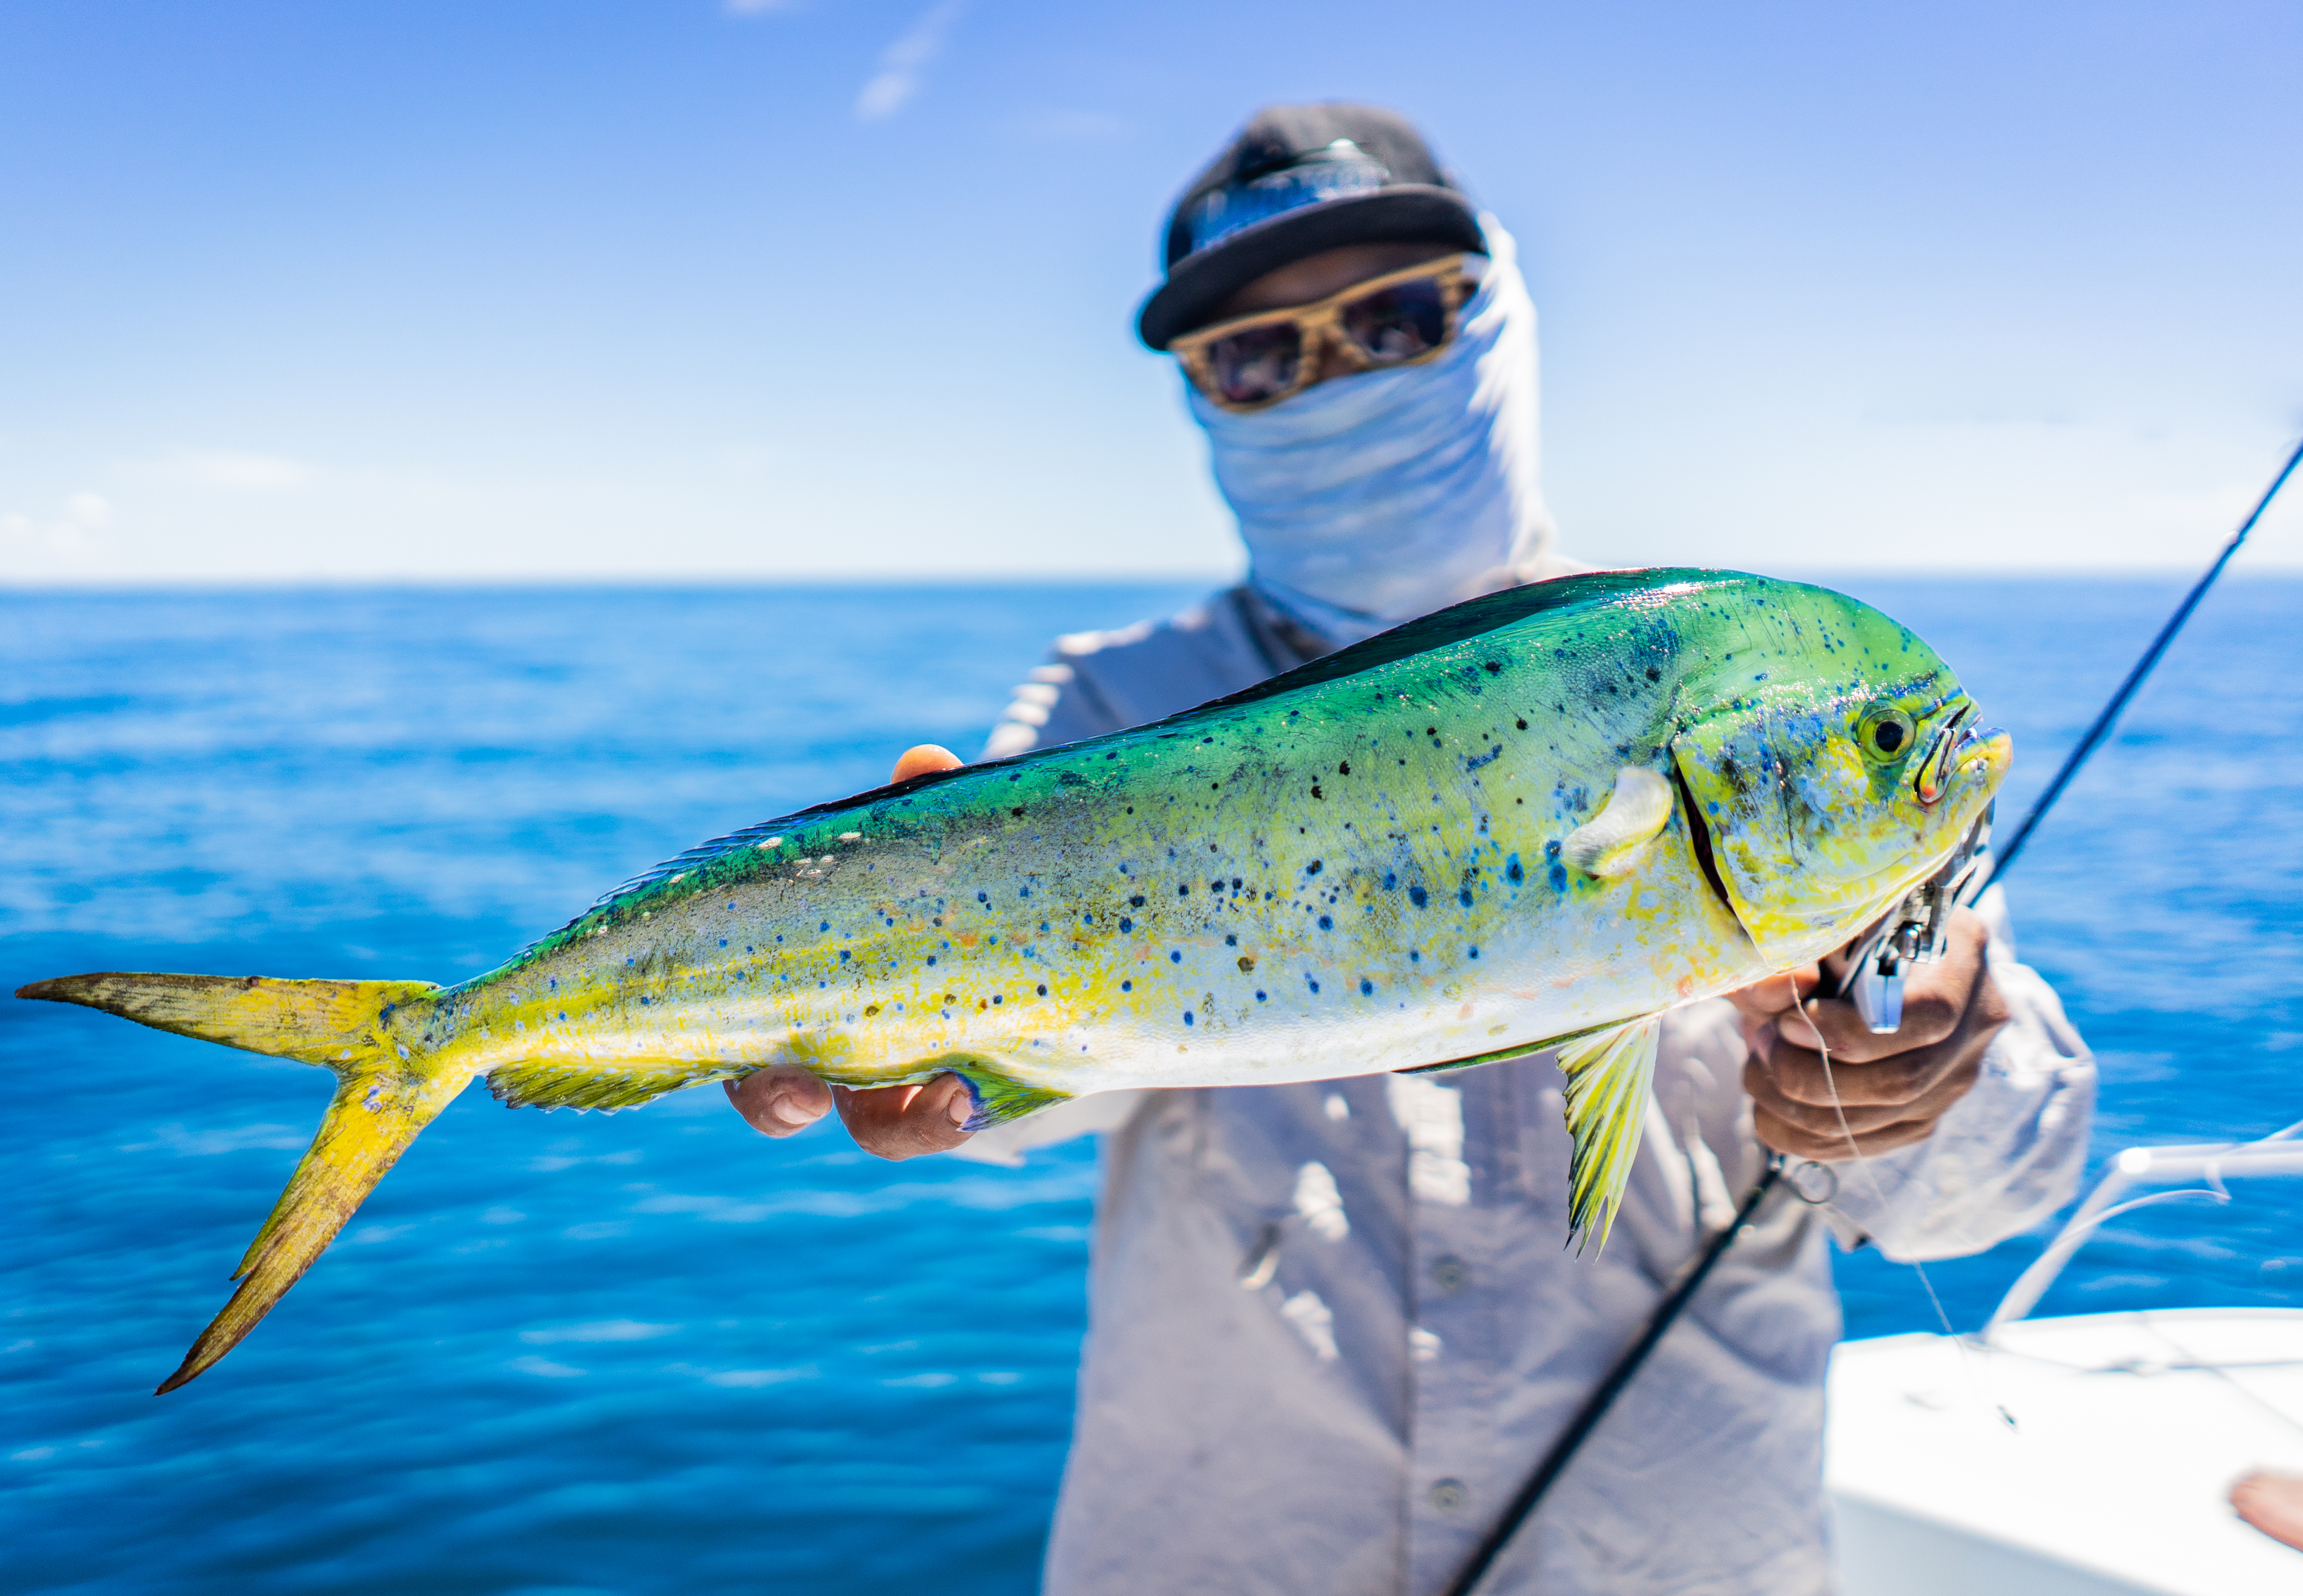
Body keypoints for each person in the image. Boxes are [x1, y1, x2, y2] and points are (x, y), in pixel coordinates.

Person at [728, 103, 2097, 1595]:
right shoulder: (1113, 709)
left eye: (1392, 321)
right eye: (1258, 356)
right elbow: (1028, 1103)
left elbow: (1988, 1194)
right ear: (1199, 398)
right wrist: (924, 1056)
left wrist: (1932, 1064)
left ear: (1491, 320)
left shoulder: (1730, 693)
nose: (1334, 380)